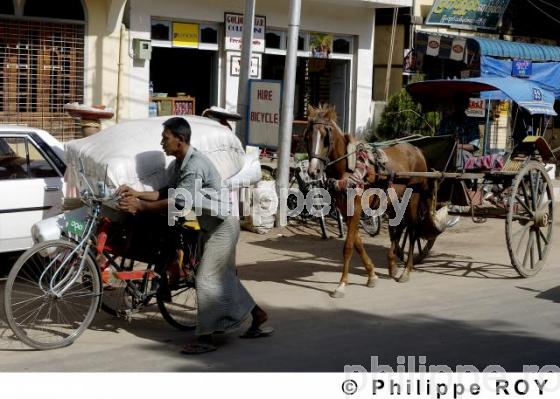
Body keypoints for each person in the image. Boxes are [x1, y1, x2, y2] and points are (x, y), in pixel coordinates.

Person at [117, 116, 273, 354]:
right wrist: (137, 194)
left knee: (205, 278)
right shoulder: (179, 164)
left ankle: (205, 338)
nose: (162, 143)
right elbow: (166, 192)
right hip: (210, 227)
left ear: (180, 140)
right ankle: (258, 315)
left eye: (165, 138)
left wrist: (141, 207)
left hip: (223, 227)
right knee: (225, 277)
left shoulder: (195, 164)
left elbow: (181, 201)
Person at [437, 95, 481, 169]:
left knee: (458, 156)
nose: (458, 107)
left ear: (466, 106)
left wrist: (456, 146)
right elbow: (438, 140)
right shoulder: (445, 122)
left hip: (463, 155)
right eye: (456, 104)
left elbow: (474, 146)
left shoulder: (471, 122)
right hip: (445, 153)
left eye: (461, 104)